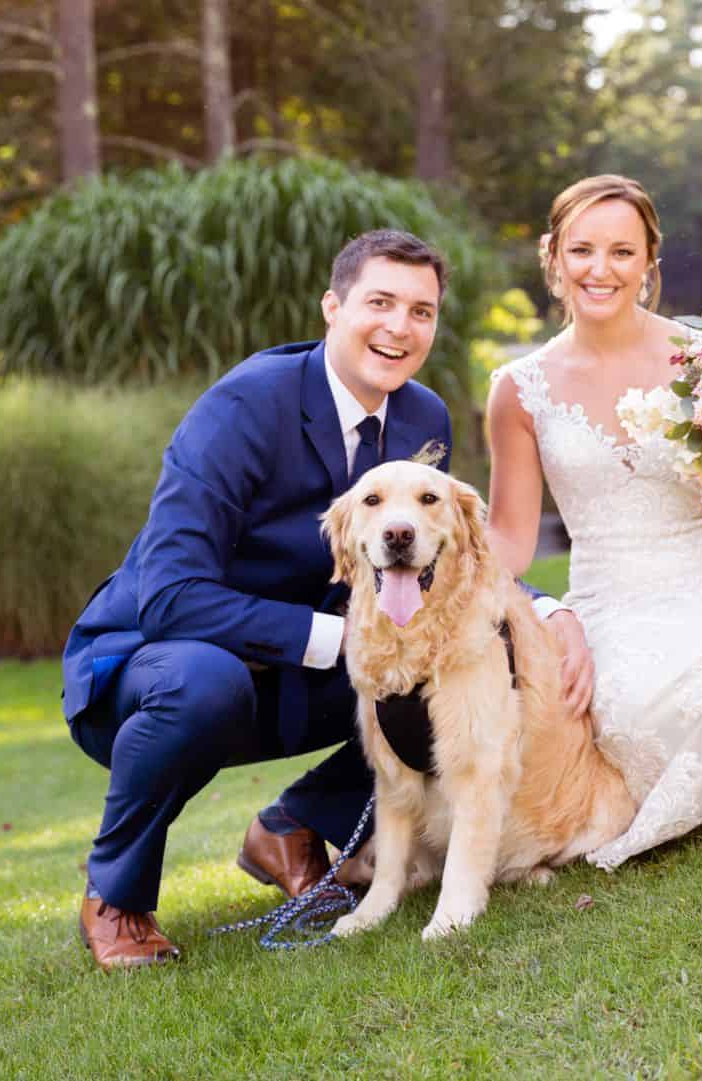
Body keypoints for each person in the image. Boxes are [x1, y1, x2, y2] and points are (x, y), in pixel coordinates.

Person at [64, 228, 585, 968]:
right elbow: (170, 595)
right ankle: (116, 894)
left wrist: (551, 610)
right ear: (332, 307)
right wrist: (339, 639)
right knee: (207, 683)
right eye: (380, 302)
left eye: (421, 310)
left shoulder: (421, 416)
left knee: (442, 663)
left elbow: (449, 550)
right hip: (153, 667)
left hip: (300, 670)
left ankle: (293, 825)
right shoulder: (242, 408)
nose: (400, 327)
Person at [486, 176, 702, 870]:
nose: (599, 270)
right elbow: (511, 539)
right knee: (628, 707)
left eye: (620, 252)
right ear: (552, 257)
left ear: (648, 262)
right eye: (581, 249)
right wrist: (487, 586)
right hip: (610, 595)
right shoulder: (518, 388)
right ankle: (667, 799)